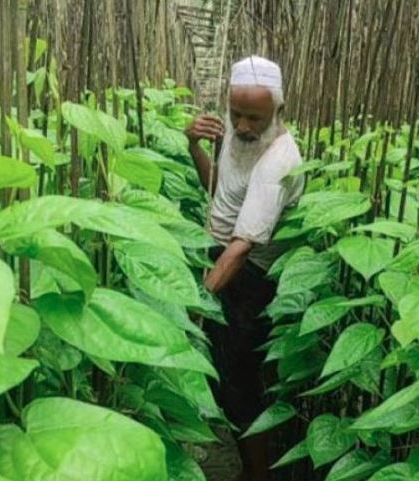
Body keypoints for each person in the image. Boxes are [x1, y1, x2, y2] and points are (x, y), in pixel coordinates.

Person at [185, 55, 304, 481]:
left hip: (248, 278)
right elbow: (220, 188)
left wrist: (197, 302)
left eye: (254, 118)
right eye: (236, 114)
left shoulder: (279, 161)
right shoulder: (238, 134)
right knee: (225, 380)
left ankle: (257, 474)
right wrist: (193, 145)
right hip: (223, 264)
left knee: (240, 388)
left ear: (279, 111)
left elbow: (241, 247)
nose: (243, 126)